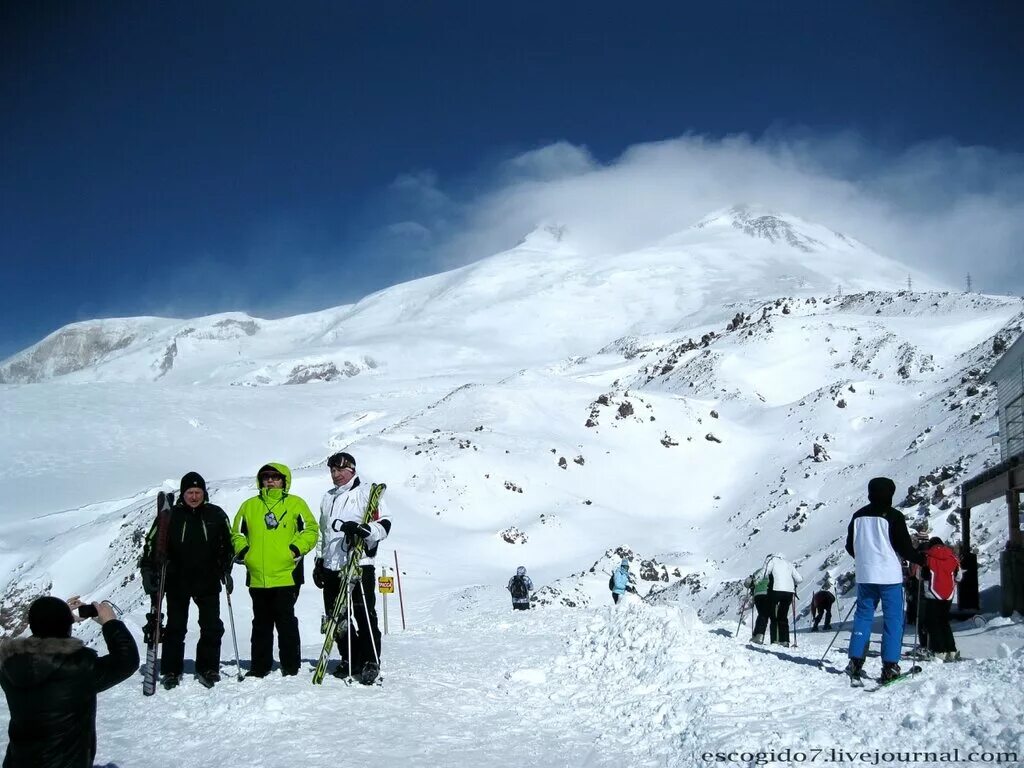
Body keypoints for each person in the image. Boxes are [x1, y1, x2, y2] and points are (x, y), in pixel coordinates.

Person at [0, 595, 138, 768]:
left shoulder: (9, 665)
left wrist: (56, 620)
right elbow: (126, 661)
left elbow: (40, 640)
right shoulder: (77, 667)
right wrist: (111, 623)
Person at [140, 471, 233, 689]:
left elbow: (228, 545)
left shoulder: (216, 515)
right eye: (189, 492)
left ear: (204, 493)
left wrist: (226, 569)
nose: (193, 496)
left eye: (197, 492)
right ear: (183, 494)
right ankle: (172, 670)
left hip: (208, 580)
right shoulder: (169, 516)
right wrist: (147, 569)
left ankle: (208, 667)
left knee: (211, 627)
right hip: (176, 581)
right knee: (175, 627)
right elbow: (152, 544)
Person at [232, 462, 318, 678]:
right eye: (266, 476)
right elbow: (236, 533)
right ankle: (259, 666)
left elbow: (311, 529)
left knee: (286, 622)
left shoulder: (296, 504)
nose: (270, 480)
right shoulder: (249, 506)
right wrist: (244, 553)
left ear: (284, 480)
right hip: (257, 576)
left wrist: (294, 549)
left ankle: (291, 666)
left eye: (275, 477)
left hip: (287, 574)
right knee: (260, 624)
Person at [313, 451, 391, 685]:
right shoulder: (328, 498)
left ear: (352, 470)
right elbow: (323, 531)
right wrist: (319, 560)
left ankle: (370, 660)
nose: (336, 475)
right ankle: (350, 657)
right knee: (337, 617)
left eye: (340, 470)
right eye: (332, 471)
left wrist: (365, 530)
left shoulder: (367, 493)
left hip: (359, 563)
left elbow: (384, 523)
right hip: (332, 564)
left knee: (364, 614)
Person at [845, 477, 925, 683]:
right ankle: (889, 665)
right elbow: (905, 548)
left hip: (865, 574)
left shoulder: (858, 516)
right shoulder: (893, 516)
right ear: (889, 494)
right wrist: (921, 559)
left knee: (863, 616)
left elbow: (849, 546)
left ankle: (855, 661)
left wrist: (864, 559)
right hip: (889, 575)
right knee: (893, 619)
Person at [919, 536, 962, 662]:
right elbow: (959, 577)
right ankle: (951, 650)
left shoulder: (927, 558)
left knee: (933, 623)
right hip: (948, 595)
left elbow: (920, 575)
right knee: (944, 622)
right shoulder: (953, 558)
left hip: (932, 594)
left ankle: (939, 651)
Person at [759, 553, 802, 646]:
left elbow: (765, 571)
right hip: (789, 593)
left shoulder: (771, 560)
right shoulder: (789, 563)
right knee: (783, 616)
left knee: (773, 615)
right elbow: (799, 579)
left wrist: (755, 579)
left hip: (775, 590)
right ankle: (785, 640)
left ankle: (775, 639)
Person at [745, 560, 772, 643]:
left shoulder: (757, 571)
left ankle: (755, 634)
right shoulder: (771, 572)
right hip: (767, 594)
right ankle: (759, 635)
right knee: (764, 615)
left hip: (757, 596)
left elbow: (750, 583)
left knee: (761, 615)